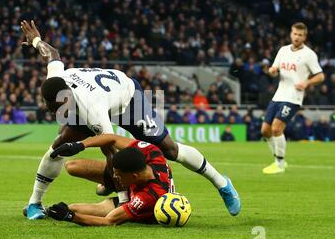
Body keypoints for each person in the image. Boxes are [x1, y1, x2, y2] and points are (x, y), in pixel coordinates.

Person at [20, 20, 241, 219]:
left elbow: (110, 148)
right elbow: (52, 54)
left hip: (127, 98)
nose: (53, 112)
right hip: (100, 96)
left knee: (169, 150)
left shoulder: (92, 108)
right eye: (49, 106)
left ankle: (222, 184)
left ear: (67, 98)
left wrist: (124, 201)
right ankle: (35, 203)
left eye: (57, 108)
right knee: (59, 145)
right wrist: (36, 40)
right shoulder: (56, 80)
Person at [34, 134, 174, 226]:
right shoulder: (152, 152)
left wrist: (70, 216)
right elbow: (112, 138)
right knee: (72, 166)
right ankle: (105, 187)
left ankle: (46, 210)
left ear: (134, 176)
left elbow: (109, 220)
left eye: (118, 174)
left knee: (75, 208)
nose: (115, 176)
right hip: (132, 184)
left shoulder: (147, 197)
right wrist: (79, 145)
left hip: (135, 199)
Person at [261, 22, 325, 174]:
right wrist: (272, 71)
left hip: (293, 98)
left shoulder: (309, 55)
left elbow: (320, 75)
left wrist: (307, 82)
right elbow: (274, 71)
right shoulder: (283, 51)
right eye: (295, 34)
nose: (297, 37)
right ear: (291, 34)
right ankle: (277, 158)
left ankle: (280, 163)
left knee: (276, 128)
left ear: (305, 36)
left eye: (300, 35)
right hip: (278, 95)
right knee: (265, 131)